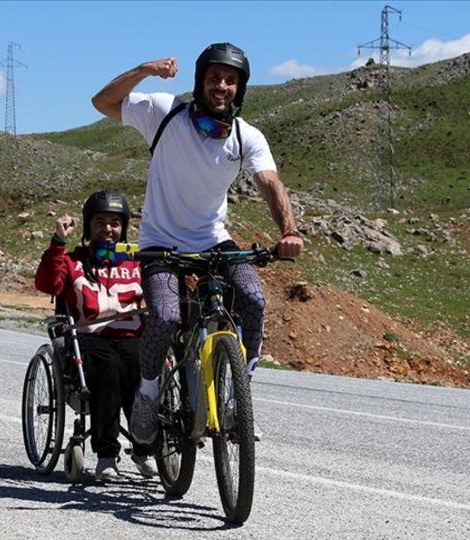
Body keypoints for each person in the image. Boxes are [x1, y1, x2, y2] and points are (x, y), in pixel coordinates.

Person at [91, 42, 304, 446]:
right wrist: (144, 68)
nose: (221, 85)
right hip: (160, 242)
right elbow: (102, 102)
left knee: (254, 300)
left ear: (239, 89)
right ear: (200, 81)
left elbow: (271, 184)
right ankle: (149, 394)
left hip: (213, 240)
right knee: (168, 316)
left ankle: (237, 398)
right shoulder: (164, 112)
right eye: (214, 77)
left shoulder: (245, 137)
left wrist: (289, 231)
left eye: (230, 80)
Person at [33, 189, 157, 481]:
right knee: (109, 367)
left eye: (114, 223)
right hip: (88, 337)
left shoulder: (136, 261)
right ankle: (106, 454)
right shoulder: (72, 260)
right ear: (88, 226)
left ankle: (145, 447)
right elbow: (47, 283)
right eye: (100, 222)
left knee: (142, 366)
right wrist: (58, 242)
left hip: (130, 336)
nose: (108, 229)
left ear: (123, 227)